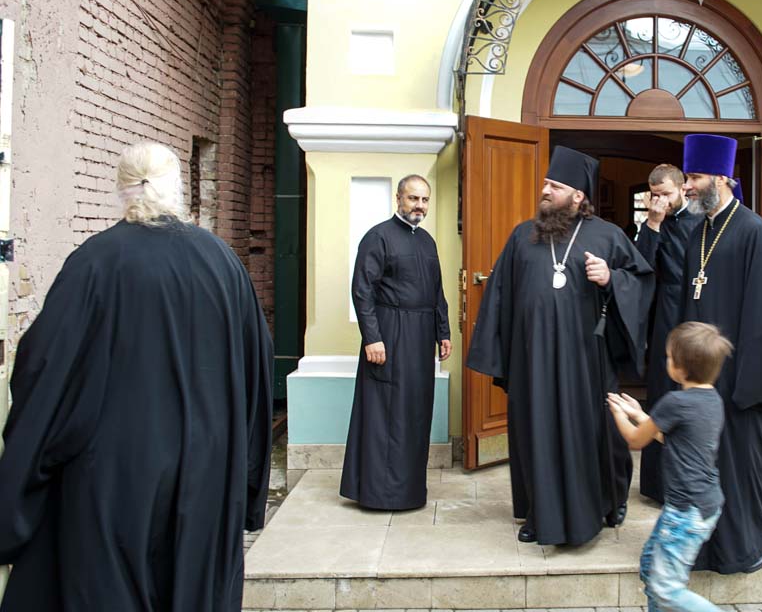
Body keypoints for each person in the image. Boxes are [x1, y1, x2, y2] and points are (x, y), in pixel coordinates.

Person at [0, 143, 273, 612]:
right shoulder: (223, 262)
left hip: (115, 470)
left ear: (120, 189)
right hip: (207, 468)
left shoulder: (95, 261)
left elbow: (43, 364)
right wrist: (246, 479)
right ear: (177, 189)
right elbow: (257, 367)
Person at [466, 146, 654, 545]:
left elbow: (642, 282)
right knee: (536, 434)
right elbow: (499, 296)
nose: (545, 191)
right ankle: (540, 514)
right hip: (533, 359)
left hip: (587, 359)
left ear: (578, 195)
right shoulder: (523, 236)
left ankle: (606, 502)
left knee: (594, 432)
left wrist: (612, 279)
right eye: (546, 184)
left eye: (555, 185)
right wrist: (503, 355)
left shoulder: (608, 236)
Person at [677, 133, 762, 574]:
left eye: (694, 177)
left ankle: (744, 547)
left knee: (740, 468)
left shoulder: (755, 233)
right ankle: (707, 551)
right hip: (703, 382)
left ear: (721, 178)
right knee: (704, 469)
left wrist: (747, 387)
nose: (687, 186)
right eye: (686, 177)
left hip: (742, 384)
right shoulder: (698, 233)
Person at [340, 174, 452, 510]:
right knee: (386, 413)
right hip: (389, 334)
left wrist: (443, 331)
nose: (419, 206)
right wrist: (372, 338)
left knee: (415, 411)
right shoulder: (378, 237)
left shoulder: (428, 242)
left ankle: (409, 491)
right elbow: (362, 290)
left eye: (425, 200)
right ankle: (380, 493)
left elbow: (437, 291)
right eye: (413, 198)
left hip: (421, 339)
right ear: (399, 199)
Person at [608, 322, 731, 612]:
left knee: (666, 590)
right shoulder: (712, 401)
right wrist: (639, 413)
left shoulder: (675, 401)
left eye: (668, 357)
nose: (666, 361)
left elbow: (635, 440)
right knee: (650, 568)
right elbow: (672, 437)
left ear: (681, 369)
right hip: (701, 504)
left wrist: (617, 413)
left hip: (686, 511)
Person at [634, 163, 703, 503]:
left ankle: (691, 482)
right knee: (663, 393)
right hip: (665, 315)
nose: (660, 200)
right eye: (654, 195)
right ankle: (657, 486)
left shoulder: (701, 221)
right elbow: (640, 266)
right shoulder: (652, 222)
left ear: (681, 189)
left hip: (696, 312)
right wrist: (653, 223)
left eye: (665, 194)